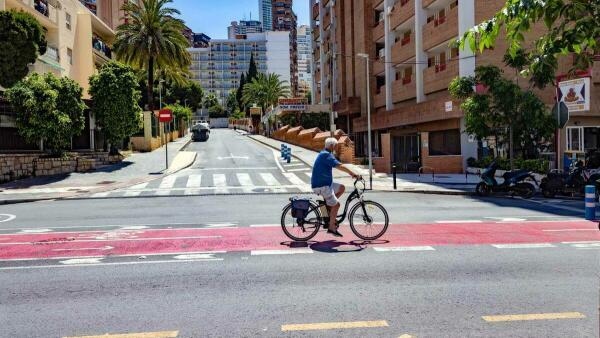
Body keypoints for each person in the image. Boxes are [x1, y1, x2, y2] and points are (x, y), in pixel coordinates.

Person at [311, 137, 359, 237]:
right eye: (336, 146)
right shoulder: (326, 155)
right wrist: (352, 173)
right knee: (336, 205)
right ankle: (331, 228)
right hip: (322, 186)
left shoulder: (325, 153)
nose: (337, 148)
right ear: (332, 146)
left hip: (325, 183)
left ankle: (328, 209)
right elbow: (339, 166)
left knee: (342, 188)